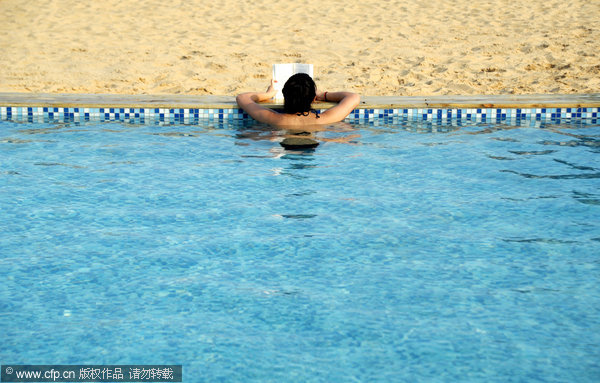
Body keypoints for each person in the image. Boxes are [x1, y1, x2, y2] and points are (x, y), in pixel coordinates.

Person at [236, 73, 360, 127]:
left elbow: (242, 97)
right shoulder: (326, 119)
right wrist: (324, 95)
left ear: (285, 95)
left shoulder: (273, 118)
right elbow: (353, 97)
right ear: (313, 98)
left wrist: (268, 94)